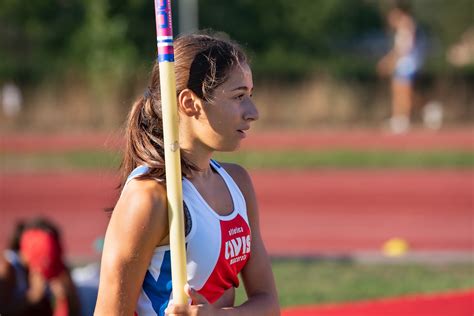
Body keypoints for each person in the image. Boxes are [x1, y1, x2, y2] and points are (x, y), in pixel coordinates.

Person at [94, 33, 280, 315]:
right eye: (239, 96)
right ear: (190, 103)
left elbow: (268, 304)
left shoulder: (238, 183)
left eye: (250, 95)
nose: (253, 112)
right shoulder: (151, 198)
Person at [0, 217, 81, 316]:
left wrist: (63, 300)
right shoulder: (7, 269)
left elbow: (75, 309)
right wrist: (33, 297)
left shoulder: (58, 268)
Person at [377, 2, 425, 133]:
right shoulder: (404, 28)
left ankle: (402, 119)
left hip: (407, 64)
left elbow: (403, 49)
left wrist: (389, 61)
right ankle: (406, 116)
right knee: (402, 92)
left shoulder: (407, 27)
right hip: (404, 63)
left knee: (402, 92)